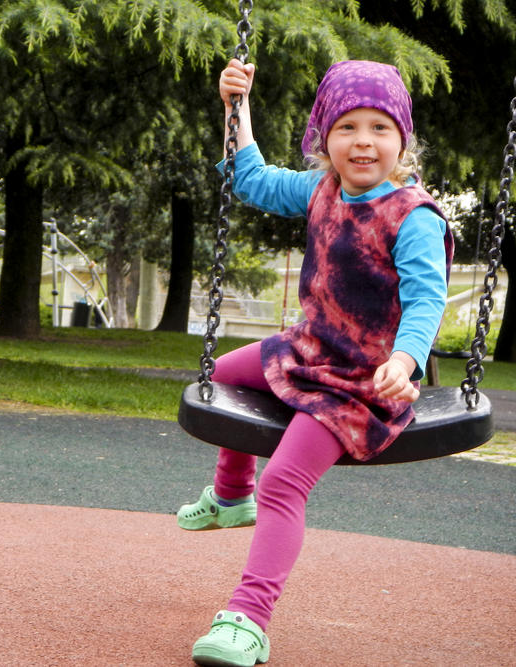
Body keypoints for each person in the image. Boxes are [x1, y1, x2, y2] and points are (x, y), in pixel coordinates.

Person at [181, 58, 454, 667]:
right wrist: (236, 106)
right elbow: (248, 178)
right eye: (348, 127)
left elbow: (426, 298)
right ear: (324, 139)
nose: (364, 141)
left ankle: (248, 619)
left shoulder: (412, 216)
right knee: (220, 377)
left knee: (285, 481)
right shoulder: (320, 190)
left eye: (380, 128)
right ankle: (230, 496)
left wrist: (406, 362)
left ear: (402, 141)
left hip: (359, 383)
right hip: (307, 350)